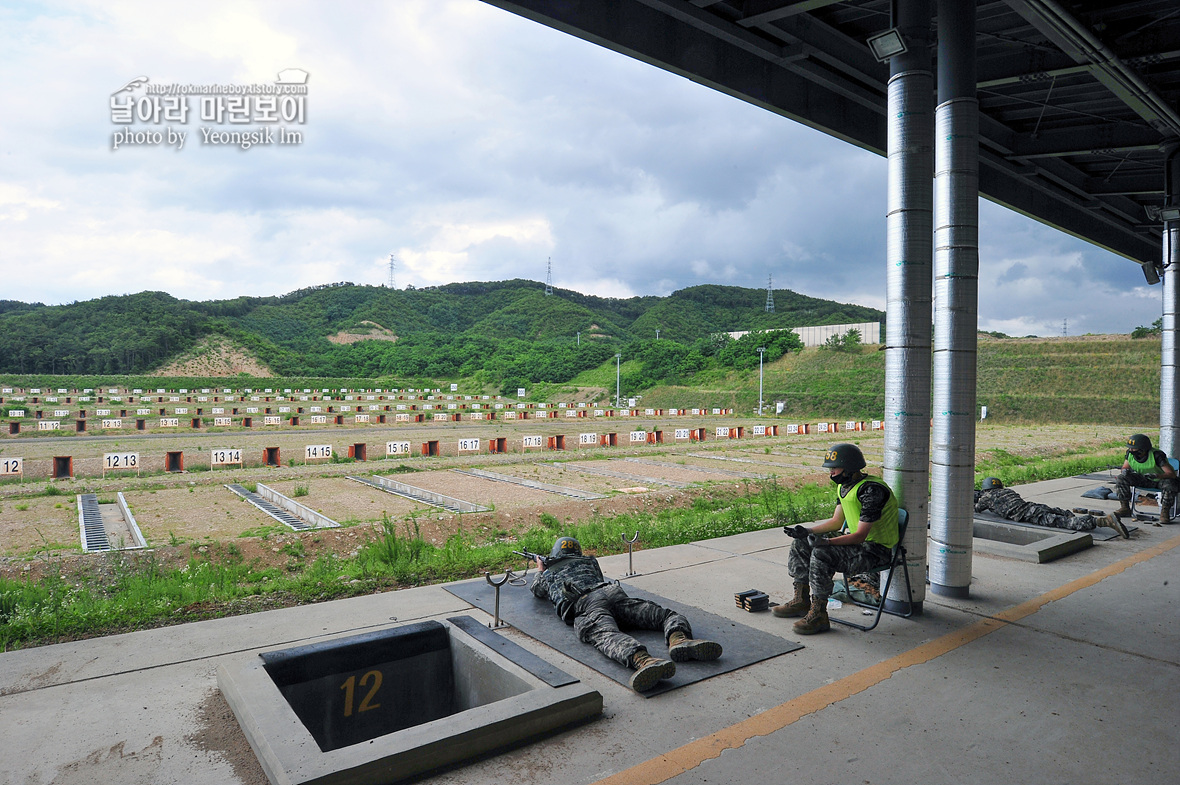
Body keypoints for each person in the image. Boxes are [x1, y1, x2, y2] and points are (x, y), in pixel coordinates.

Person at [530, 536, 722, 692]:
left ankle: (644, 660)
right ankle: (679, 639)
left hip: (585, 602)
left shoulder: (549, 573)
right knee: (663, 615)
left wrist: (541, 569)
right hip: (612, 593)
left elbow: (537, 589)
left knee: (607, 635)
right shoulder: (589, 561)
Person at [772, 443, 899, 635]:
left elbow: (860, 535)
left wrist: (827, 542)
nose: (831, 473)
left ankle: (819, 614)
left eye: (834, 468)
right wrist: (807, 531)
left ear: (849, 468)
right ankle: (801, 600)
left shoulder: (871, 491)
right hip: (858, 544)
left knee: (822, 553)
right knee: (801, 543)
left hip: (876, 550)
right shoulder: (844, 486)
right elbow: (836, 522)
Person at [974, 477, 1129, 538]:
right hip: (1032, 506)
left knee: (1064, 523)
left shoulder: (987, 497)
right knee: (1059, 512)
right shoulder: (1008, 491)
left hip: (1030, 515)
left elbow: (977, 508)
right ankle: (1072, 515)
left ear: (985, 489)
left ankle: (1103, 521)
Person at [1113, 434, 1178, 524]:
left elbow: (1171, 474)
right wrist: (1125, 471)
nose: (1131, 450)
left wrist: (1157, 476)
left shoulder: (1157, 455)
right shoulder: (1129, 454)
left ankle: (1165, 512)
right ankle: (1125, 508)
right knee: (1121, 478)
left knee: (1170, 484)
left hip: (1160, 480)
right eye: (1130, 448)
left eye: (1133, 449)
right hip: (1143, 479)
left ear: (1142, 449)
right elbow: (1125, 466)